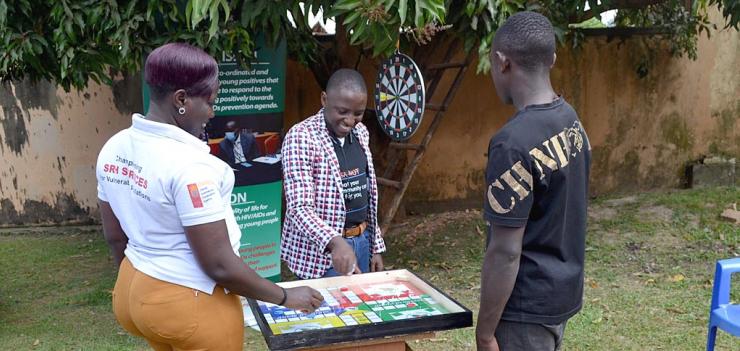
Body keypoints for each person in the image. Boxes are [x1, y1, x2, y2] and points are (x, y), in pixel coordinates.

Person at [96, 43, 322, 351]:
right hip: (187, 301)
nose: (212, 112)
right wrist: (284, 296)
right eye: (210, 102)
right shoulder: (192, 167)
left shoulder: (115, 146)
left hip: (132, 290)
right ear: (181, 100)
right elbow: (219, 265)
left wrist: (146, 277)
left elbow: (114, 237)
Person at [475, 12, 592, 351]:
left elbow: (505, 252)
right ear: (552, 59)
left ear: (502, 62)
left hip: (524, 313)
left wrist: (485, 332)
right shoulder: (570, 120)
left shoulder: (511, 144)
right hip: (561, 298)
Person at [281, 68, 386, 279]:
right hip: (321, 254)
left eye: (358, 113)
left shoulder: (361, 133)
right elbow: (299, 208)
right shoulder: (301, 137)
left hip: (362, 241)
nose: (350, 120)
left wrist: (375, 246)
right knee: (333, 311)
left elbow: (368, 195)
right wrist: (335, 242)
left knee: (360, 309)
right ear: (324, 99)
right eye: (342, 111)